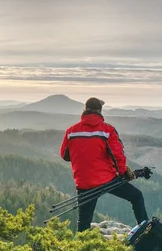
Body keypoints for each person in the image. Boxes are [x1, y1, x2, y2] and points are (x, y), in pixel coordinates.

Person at [60, 97, 149, 232]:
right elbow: (118, 155)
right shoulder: (107, 130)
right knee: (136, 197)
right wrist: (122, 172)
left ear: (84, 110)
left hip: (83, 183)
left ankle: (81, 247)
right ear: (100, 111)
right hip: (107, 180)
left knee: (84, 221)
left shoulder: (71, 131)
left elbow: (64, 155)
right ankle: (145, 231)